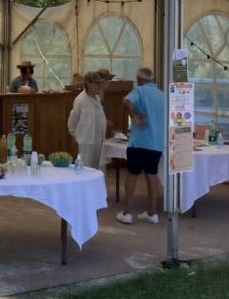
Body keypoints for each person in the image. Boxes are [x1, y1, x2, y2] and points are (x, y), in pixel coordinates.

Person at [116, 68, 165, 225]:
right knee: (152, 175)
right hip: (156, 142)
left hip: (139, 141)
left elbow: (126, 101)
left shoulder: (139, 90)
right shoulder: (162, 95)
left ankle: (126, 212)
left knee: (132, 175)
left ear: (139, 80)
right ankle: (152, 212)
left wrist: (133, 115)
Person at [67, 71, 109, 169]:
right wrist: (75, 136)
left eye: (99, 83)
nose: (98, 86)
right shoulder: (80, 100)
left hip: (98, 139)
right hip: (86, 140)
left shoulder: (97, 98)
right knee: (86, 168)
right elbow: (72, 120)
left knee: (98, 168)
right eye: (96, 83)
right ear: (88, 83)